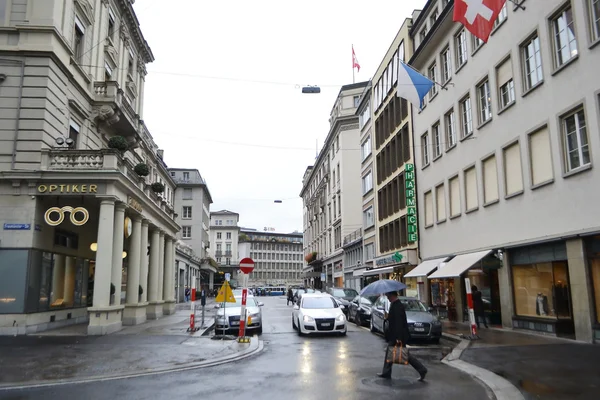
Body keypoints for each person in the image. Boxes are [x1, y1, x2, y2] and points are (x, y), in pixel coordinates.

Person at [378, 291, 427, 381]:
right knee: (391, 352)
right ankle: (386, 372)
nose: (387, 298)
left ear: (392, 295)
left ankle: (422, 369)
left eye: (388, 296)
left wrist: (398, 338)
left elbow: (399, 324)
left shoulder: (397, 306)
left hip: (397, 336)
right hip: (396, 335)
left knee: (404, 355)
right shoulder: (395, 305)